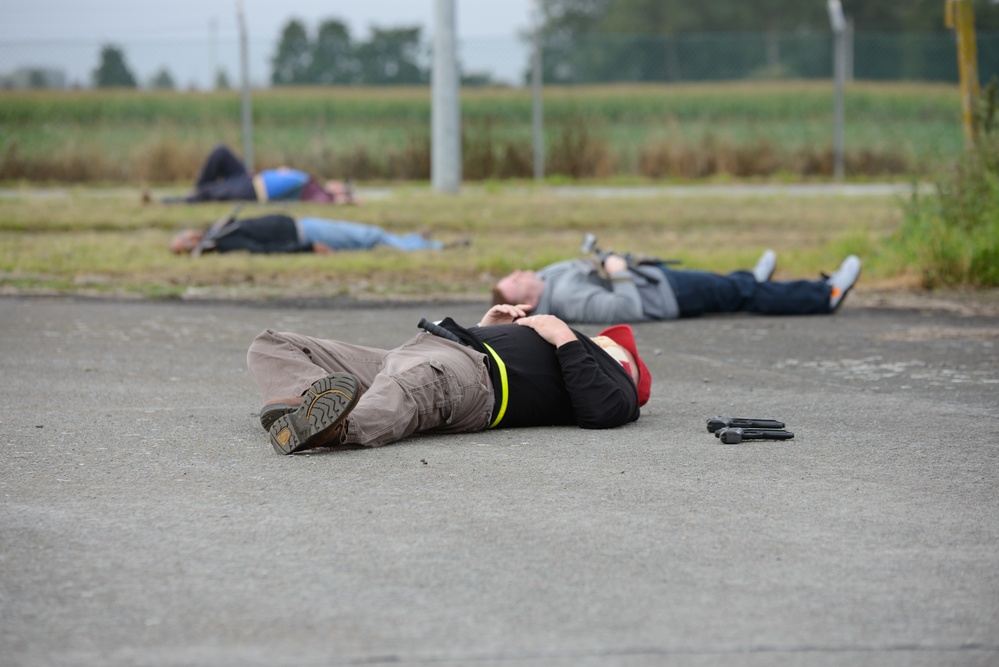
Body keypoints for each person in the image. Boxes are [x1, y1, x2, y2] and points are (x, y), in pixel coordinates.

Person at [246, 304, 652, 455]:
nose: (602, 342)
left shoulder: (617, 386)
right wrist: (483, 327)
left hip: (472, 379)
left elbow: (601, 411)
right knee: (273, 343)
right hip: (421, 350)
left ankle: (337, 427)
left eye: (612, 346)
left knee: (411, 384)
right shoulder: (571, 352)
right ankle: (304, 404)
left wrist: (565, 337)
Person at [492, 249, 862, 323]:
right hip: (668, 296)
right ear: (526, 298)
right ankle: (823, 295)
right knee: (740, 295)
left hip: (660, 282)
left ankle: (749, 280)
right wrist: (618, 269)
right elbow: (625, 311)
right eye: (514, 279)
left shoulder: (546, 277)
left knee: (729, 287)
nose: (521, 271)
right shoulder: (567, 299)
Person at [149, 144, 356, 205]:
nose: (337, 183)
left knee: (210, 193)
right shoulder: (313, 183)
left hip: (254, 191)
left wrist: (345, 199)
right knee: (220, 153)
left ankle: (165, 202)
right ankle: (200, 190)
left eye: (342, 187)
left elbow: (329, 203)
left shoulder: (320, 195)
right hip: (250, 177)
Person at [170, 212, 464, 255]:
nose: (189, 234)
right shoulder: (226, 242)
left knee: (370, 234)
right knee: (371, 236)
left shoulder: (218, 231)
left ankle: (416, 239)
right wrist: (309, 248)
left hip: (304, 223)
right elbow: (265, 250)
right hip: (305, 233)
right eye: (185, 241)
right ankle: (432, 246)